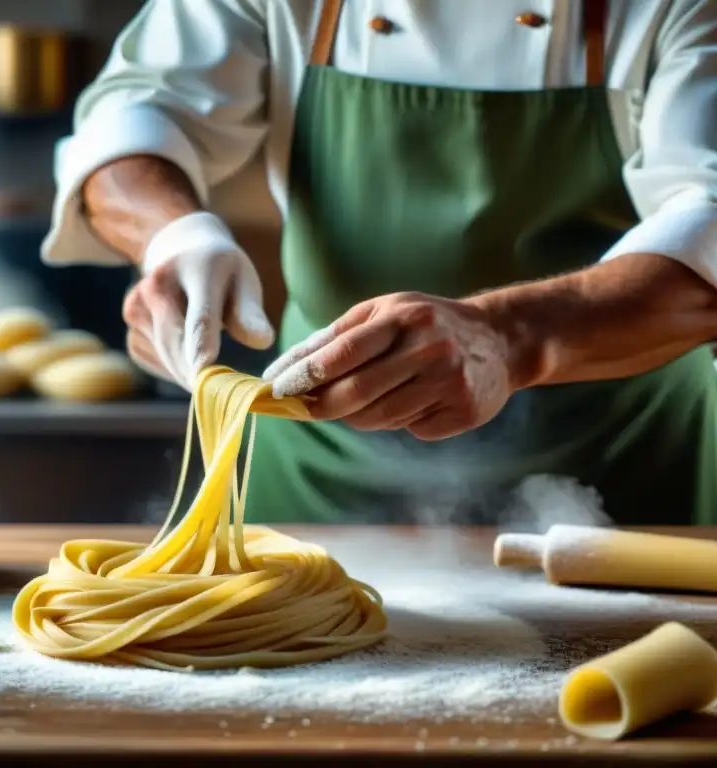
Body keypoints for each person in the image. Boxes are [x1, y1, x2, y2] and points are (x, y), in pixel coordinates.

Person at [41, 1, 717, 526]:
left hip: (625, 468)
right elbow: (133, 114)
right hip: (319, 465)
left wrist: (506, 338)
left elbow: (709, 220)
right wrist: (173, 238)